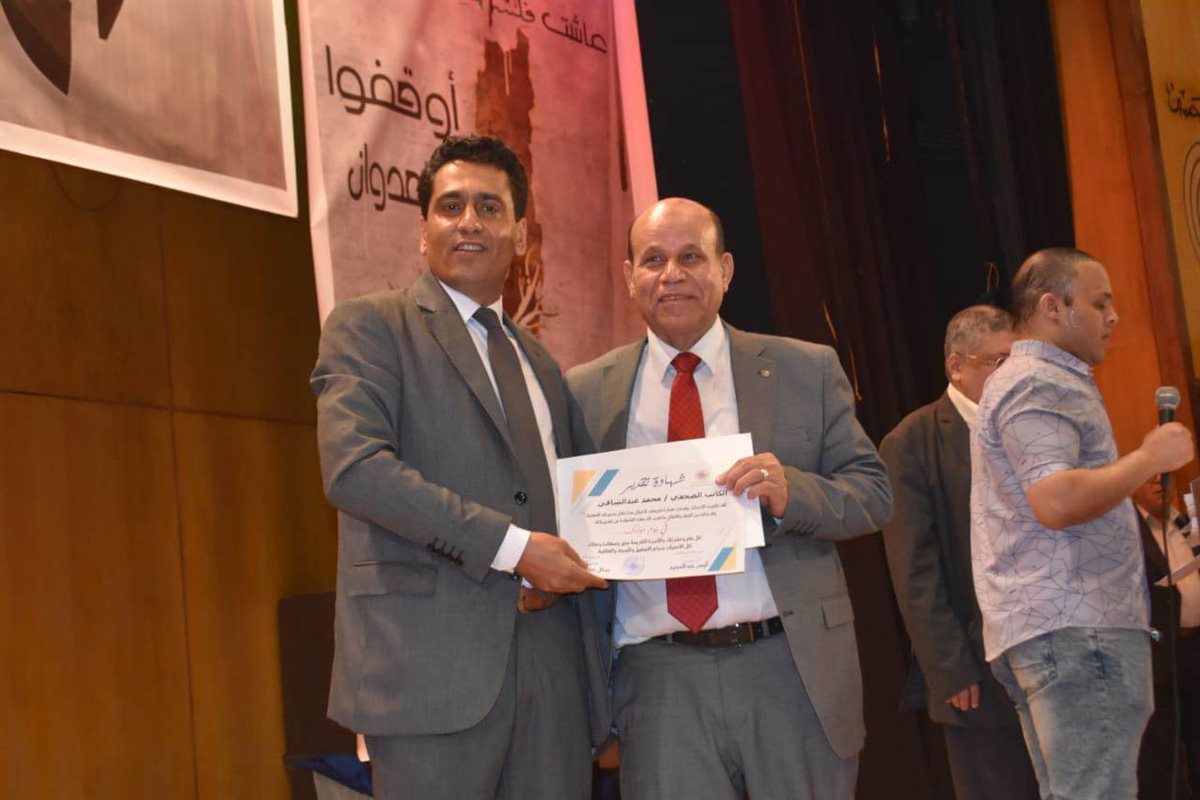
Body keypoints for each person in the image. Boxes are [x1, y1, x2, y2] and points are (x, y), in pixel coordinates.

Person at [311, 134, 607, 800]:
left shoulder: (542, 366)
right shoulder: (370, 328)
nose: (468, 221)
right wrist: (515, 549)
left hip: (554, 677)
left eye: (489, 207)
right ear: (423, 231)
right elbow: (355, 469)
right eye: (450, 207)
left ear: (520, 234)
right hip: (428, 675)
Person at [568, 197, 892, 800]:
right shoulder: (585, 390)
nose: (672, 274)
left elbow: (872, 493)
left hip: (788, 664)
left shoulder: (803, 369)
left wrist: (794, 492)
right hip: (657, 679)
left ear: (725, 269)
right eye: (653, 260)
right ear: (629, 277)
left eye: (691, 257)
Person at [971, 247, 1196, 799]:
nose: (1114, 317)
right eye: (1100, 304)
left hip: (1062, 628)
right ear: (1053, 306)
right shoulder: (1037, 382)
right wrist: (1148, 458)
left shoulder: (1033, 378)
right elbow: (1056, 500)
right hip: (1076, 629)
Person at [880, 305, 1038, 800]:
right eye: (998, 362)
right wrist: (949, 669)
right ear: (956, 366)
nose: (1013, 375)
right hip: (975, 668)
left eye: (1019, 362)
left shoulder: (1033, 427)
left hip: (1049, 649)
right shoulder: (911, 442)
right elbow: (915, 572)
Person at [1133, 473, 1200, 798]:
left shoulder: (1185, 523)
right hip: (1157, 656)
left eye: (1165, 477)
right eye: (1150, 478)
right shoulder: (1127, 530)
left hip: (1194, 649)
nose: (1160, 484)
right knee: (1163, 755)